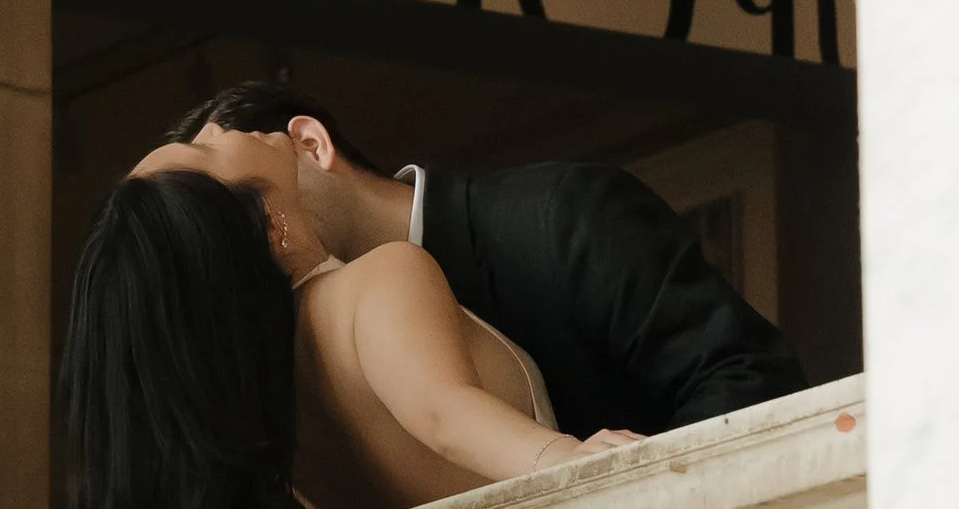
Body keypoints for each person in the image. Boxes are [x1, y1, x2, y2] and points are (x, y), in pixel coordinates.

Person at [61, 162, 629, 509]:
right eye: (205, 158)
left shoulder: (273, 408)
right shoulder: (377, 280)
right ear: (266, 224)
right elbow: (442, 412)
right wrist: (564, 459)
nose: (215, 136)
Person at [143, 81, 805, 445]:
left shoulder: (562, 215)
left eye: (230, 192)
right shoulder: (290, 351)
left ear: (309, 146)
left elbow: (747, 378)